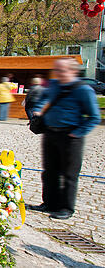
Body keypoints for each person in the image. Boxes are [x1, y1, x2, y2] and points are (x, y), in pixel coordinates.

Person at [29, 58, 100, 220]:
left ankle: (66, 208)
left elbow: (94, 117)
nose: (58, 73)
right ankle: (49, 203)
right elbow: (43, 100)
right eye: (57, 70)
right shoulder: (54, 85)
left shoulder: (83, 90)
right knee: (49, 172)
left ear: (73, 71)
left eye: (62, 70)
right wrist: (38, 111)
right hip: (50, 134)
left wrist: (78, 132)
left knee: (69, 174)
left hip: (70, 136)